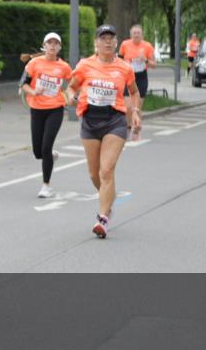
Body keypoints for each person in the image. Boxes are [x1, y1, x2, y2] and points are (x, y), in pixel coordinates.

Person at [66, 25, 141, 239]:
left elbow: (134, 91)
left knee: (106, 170)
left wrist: (134, 111)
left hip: (114, 121)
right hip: (90, 121)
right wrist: (71, 97)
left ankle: (103, 218)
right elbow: (71, 87)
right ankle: (108, 200)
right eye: (103, 38)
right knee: (94, 173)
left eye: (111, 38)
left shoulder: (124, 68)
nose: (107, 42)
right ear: (96, 43)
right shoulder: (84, 65)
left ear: (116, 42)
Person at [22, 32, 72, 198]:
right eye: (49, 43)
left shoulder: (64, 67)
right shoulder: (34, 63)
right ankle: (50, 155)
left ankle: (46, 186)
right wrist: (33, 91)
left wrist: (70, 95)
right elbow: (23, 84)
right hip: (36, 108)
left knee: (46, 146)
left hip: (55, 109)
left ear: (59, 47)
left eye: (55, 43)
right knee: (38, 152)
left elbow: (73, 84)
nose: (52, 46)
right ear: (44, 46)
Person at [118, 24, 156, 111]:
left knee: (137, 108)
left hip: (141, 77)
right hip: (128, 77)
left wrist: (145, 60)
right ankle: (128, 125)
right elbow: (118, 61)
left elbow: (154, 65)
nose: (136, 35)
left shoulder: (148, 46)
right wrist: (125, 63)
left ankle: (137, 125)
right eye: (134, 33)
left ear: (142, 34)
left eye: (138, 33)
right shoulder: (125, 44)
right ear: (131, 35)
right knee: (128, 107)